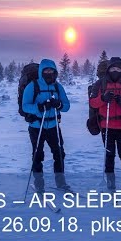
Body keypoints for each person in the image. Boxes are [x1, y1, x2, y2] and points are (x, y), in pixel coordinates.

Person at [89, 56, 121, 191]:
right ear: (108, 69)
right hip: (106, 126)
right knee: (109, 154)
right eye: (113, 68)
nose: (115, 71)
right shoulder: (100, 84)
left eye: (118, 68)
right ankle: (110, 181)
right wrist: (103, 98)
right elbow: (93, 102)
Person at [22, 58, 71, 192]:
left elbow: (67, 106)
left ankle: (61, 183)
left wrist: (59, 104)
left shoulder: (57, 86)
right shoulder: (33, 86)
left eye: (51, 70)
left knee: (59, 154)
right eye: (46, 70)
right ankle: (39, 185)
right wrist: (40, 107)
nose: (49, 73)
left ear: (55, 72)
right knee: (38, 156)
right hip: (37, 126)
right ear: (41, 72)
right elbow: (25, 106)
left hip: (53, 125)